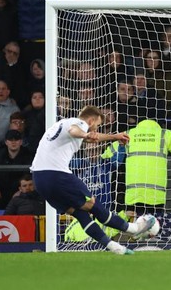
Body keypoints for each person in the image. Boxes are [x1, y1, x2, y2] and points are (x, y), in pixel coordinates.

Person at [30, 105, 155, 255]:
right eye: (97, 125)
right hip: (56, 174)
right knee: (91, 203)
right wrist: (85, 135)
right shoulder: (78, 123)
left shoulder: (59, 125)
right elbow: (75, 131)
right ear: (91, 120)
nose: (96, 129)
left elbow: (91, 138)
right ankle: (134, 229)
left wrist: (115, 137)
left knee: (79, 213)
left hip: (39, 179)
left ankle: (115, 248)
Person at [101, 118, 171, 217]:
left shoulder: (129, 134)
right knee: (152, 228)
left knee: (133, 228)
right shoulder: (165, 134)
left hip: (134, 193)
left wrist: (100, 158)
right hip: (156, 194)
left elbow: (108, 154)